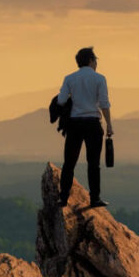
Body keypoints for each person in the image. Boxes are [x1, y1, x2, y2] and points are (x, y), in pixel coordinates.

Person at [56, 46, 113, 208]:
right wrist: (109, 124)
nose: (96, 63)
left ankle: (63, 198)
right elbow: (104, 103)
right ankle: (94, 198)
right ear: (91, 60)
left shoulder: (69, 78)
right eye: (95, 60)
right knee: (93, 163)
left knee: (69, 162)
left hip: (74, 124)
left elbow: (61, 100)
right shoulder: (99, 79)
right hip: (93, 123)